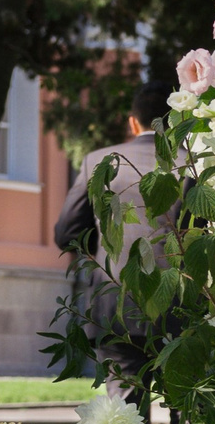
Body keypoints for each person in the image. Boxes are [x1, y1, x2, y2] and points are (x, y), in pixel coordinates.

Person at [54, 77, 176, 405]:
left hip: (116, 300)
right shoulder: (193, 164)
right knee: (188, 411)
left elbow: (67, 233)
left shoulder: (98, 161)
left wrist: (109, 246)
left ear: (132, 122)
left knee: (123, 416)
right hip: (179, 304)